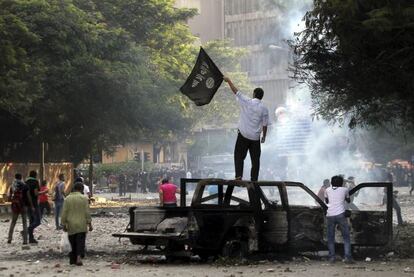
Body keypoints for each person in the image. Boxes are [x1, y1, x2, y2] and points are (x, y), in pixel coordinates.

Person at [223, 76, 269, 181]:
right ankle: (254, 179)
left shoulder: (247, 101)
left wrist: (229, 80)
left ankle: (239, 176)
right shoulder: (264, 108)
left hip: (243, 135)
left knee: (239, 156)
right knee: (255, 160)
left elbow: (236, 91)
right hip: (255, 138)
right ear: (261, 97)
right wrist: (264, 137)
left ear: (254, 94)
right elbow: (265, 125)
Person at [61, 182, 93, 266]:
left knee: (73, 242)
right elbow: (87, 212)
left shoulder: (67, 198)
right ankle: (79, 257)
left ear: (74, 188)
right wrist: (89, 224)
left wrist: (63, 224)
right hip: (82, 225)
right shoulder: (84, 198)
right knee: (80, 242)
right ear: (82, 189)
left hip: (71, 225)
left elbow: (64, 212)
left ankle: (73, 258)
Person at [324, 175, 354, 264]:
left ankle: (332, 258)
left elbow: (327, 201)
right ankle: (348, 258)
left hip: (330, 215)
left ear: (331, 182)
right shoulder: (345, 190)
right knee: (346, 237)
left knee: (330, 237)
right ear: (341, 183)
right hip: (341, 215)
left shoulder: (327, 190)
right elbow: (348, 201)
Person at [7, 173, 30, 244]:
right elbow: (28, 196)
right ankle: (25, 241)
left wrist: (13, 200)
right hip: (23, 205)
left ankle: (9, 239)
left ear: (15, 177)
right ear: (21, 178)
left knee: (13, 222)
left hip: (15, 205)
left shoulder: (12, 186)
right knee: (24, 223)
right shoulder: (25, 185)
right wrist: (30, 205)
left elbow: (9, 198)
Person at [26, 170, 41, 244]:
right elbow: (36, 193)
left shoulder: (26, 182)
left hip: (27, 204)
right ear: (35, 175)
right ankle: (27, 230)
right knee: (38, 221)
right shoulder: (35, 182)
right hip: (34, 204)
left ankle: (31, 239)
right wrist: (44, 192)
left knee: (31, 221)